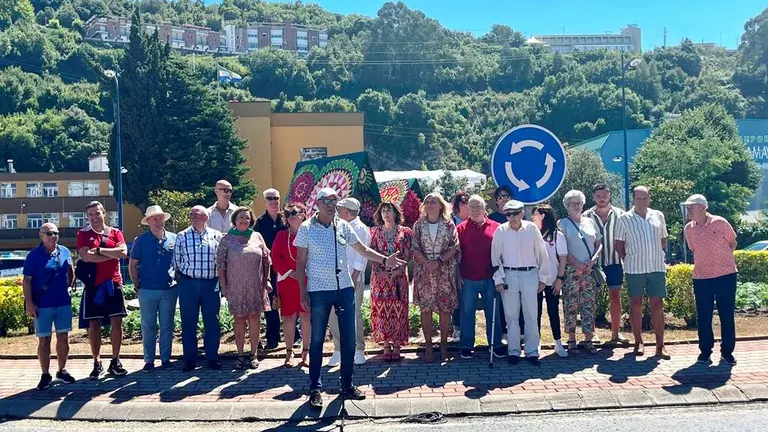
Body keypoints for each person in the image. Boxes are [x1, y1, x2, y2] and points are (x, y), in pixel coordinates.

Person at [294, 188, 405, 409]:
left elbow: (362, 249)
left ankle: (347, 385)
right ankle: (315, 389)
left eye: (334, 201)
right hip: (318, 290)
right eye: (326, 201)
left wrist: (385, 260)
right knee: (317, 340)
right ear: (317, 203)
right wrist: (302, 291)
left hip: (344, 288)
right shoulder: (306, 228)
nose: (331, 205)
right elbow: (300, 261)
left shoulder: (343, 226)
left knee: (349, 340)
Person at [491, 200, 552, 366]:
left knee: (531, 314)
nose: (512, 217)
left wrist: (543, 278)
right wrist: (498, 279)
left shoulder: (532, 229)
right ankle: (513, 351)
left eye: (515, 213)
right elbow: (495, 257)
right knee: (511, 316)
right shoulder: (500, 231)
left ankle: (532, 351)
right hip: (509, 275)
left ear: (522, 213)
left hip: (530, 274)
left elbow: (542, 254)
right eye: (508, 214)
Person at [615, 186, 670, 359]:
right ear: (633, 199)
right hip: (635, 268)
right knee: (636, 303)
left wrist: (654, 254)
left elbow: (663, 240)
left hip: (656, 266)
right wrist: (630, 259)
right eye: (638, 198)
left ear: (649, 198)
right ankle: (638, 341)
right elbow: (619, 245)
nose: (641, 201)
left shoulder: (658, 215)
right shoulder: (624, 219)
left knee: (657, 304)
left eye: (645, 198)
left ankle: (660, 345)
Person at [683, 194, 738, 366]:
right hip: (701, 277)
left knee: (726, 315)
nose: (688, 210)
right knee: (704, 316)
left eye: (692, 206)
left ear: (703, 207)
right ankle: (705, 352)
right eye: (687, 207)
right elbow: (693, 248)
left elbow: (732, 242)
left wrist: (721, 260)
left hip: (726, 275)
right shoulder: (689, 229)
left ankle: (727, 353)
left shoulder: (720, 222)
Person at [76, 201, 128, 379]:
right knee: (94, 325)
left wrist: (98, 250)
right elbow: (86, 257)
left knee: (117, 323)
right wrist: (111, 254)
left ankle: (115, 360)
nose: (94, 217)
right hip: (94, 285)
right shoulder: (83, 234)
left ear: (104, 213)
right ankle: (97, 362)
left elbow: (123, 253)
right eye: (90, 214)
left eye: (97, 213)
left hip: (113, 283)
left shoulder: (115, 232)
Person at [217, 207, 272, 370]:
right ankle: (240, 355)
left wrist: (267, 280)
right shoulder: (227, 239)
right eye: (241, 217)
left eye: (247, 218)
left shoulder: (257, 236)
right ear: (235, 219)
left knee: (255, 318)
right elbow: (220, 265)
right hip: (236, 287)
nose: (244, 220)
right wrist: (224, 286)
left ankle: (253, 354)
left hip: (256, 286)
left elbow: (266, 260)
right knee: (239, 320)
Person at [23, 223, 76, 389]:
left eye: (56, 233)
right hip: (42, 305)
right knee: (44, 340)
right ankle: (45, 374)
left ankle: (62, 370)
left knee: (63, 338)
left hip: (63, 302)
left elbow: (70, 270)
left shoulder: (64, 251)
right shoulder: (34, 255)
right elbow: (27, 280)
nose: (53, 236)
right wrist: (29, 303)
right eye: (49, 233)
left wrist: (69, 286)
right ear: (41, 235)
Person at [411, 192, 460, 363]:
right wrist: (427, 263)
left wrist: (438, 262)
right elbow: (414, 247)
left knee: (444, 309)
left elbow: (455, 246)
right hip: (424, 272)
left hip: (444, 271)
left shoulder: (449, 224)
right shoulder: (419, 225)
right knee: (426, 309)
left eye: (434, 202)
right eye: (427, 202)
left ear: (440, 206)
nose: (430, 204)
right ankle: (429, 346)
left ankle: (444, 345)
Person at [174, 205, 223, 372]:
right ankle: (190, 360)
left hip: (211, 284)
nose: (193, 217)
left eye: (197, 214)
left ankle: (212, 357)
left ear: (206, 217)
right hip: (189, 284)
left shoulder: (216, 235)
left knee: (212, 322)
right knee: (188, 322)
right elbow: (177, 261)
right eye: (191, 215)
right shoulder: (182, 236)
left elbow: (221, 260)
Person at [456, 195, 506, 360]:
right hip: (468, 278)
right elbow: (456, 255)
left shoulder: (497, 227)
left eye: (478, 206)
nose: (475, 209)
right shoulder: (461, 228)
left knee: (493, 313)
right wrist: (458, 275)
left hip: (491, 278)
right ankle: (466, 346)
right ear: (468, 209)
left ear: (485, 208)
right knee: (467, 313)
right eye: (472, 206)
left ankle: (495, 344)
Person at [128, 206, 177, 372]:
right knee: (148, 326)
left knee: (167, 326)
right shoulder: (141, 241)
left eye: (160, 218)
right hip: (147, 289)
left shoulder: (174, 238)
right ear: (148, 222)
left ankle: (165, 358)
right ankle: (149, 360)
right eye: (154, 219)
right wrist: (137, 285)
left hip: (169, 289)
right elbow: (132, 265)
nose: (158, 222)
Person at [583, 183, 629, 345]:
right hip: (594, 264)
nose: (601, 198)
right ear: (593, 197)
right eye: (598, 196)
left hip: (615, 261)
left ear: (609, 195)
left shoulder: (621, 214)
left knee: (615, 297)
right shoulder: (586, 216)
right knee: (590, 299)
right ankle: (591, 334)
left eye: (604, 195)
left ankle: (615, 333)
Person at [559, 190, 603, 355]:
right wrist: (577, 264)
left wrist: (594, 259)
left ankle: (588, 339)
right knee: (571, 304)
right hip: (571, 270)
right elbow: (562, 249)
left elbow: (599, 243)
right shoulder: (562, 223)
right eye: (573, 203)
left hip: (589, 270)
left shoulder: (590, 222)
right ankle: (571, 339)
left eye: (579, 203)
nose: (576, 206)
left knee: (588, 304)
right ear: (567, 206)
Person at [369, 202, 413, 362]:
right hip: (380, 279)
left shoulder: (405, 232)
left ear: (395, 213)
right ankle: (386, 345)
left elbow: (408, 254)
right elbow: (371, 253)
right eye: (383, 211)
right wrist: (380, 271)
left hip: (399, 278)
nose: (386, 214)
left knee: (399, 310)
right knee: (382, 310)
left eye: (389, 210)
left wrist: (398, 271)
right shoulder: (374, 232)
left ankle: (397, 346)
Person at [330, 197, 370, 366]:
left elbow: (362, 256)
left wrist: (352, 279)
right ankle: (338, 349)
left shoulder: (361, 228)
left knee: (354, 314)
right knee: (333, 314)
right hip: (334, 279)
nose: (336, 211)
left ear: (347, 212)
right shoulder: (337, 225)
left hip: (353, 279)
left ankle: (359, 349)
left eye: (339, 209)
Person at [272, 203, 311, 367]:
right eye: (289, 215)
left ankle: (306, 353)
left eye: (296, 213)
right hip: (287, 281)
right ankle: (289, 352)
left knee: (306, 316)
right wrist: (289, 272)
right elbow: (275, 257)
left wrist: (302, 273)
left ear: (303, 215)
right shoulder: (281, 236)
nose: (293, 217)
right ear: (286, 219)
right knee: (288, 317)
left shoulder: (311, 233)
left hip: (307, 280)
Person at [531, 204, 568, 358]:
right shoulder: (532, 234)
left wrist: (560, 279)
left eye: (535, 214)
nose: (532, 217)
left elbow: (563, 259)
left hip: (552, 280)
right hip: (535, 280)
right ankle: (536, 342)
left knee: (553, 311)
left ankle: (558, 343)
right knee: (535, 312)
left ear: (543, 216)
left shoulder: (557, 235)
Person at [254, 188, 289, 351]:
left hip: (287, 267)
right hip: (268, 268)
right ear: (265, 201)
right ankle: (273, 338)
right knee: (270, 302)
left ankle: (294, 336)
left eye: (276, 198)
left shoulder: (287, 219)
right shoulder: (260, 222)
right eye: (270, 199)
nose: (273, 201)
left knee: (289, 301)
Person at [487, 186, 515, 340]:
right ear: (496, 201)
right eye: (500, 197)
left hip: (515, 265)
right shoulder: (491, 219)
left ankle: (517, 333)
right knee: (499, 302)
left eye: (507, 196)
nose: (504, 199)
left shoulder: (518, 217)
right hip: (497, 266)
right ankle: (502, 332)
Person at [449, 191, 470, 342]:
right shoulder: (450, 222)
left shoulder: (475, 219)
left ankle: (467, 328)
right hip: (453, 264)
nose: (467, 205)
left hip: (470, 264)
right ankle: (457, 328)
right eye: (464, 202)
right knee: (456, 296)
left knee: (467, 299)